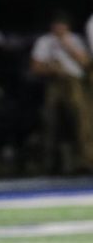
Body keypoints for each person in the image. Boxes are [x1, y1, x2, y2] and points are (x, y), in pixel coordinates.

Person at [31, 11, 93, 173]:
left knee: (82, 121)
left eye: (62, 25)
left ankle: (86, 162)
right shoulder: (45, 41)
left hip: (75, 83)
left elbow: (86, 63)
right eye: (56, 25)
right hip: (54, 82)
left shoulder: (76, 39)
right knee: (51, 122)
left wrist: (68, 46)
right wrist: (51, 69)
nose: (59, 29)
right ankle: (51, 164)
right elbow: (35, 66)